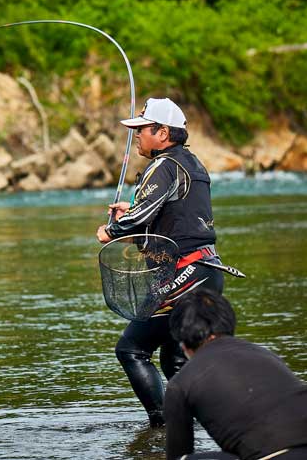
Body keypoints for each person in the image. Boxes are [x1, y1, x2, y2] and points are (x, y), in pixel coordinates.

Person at [96, 97, 225, 426]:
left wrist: (113, 229)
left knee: (131, 350)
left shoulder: (164, 165)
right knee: (174, 362)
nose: (135, 135)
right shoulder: (191, 163)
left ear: (163, 133)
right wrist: (135, 216)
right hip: (205, 271)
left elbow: (141, 216)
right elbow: (171, 218)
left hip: (184, 276)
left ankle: (164, 425)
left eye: (141, 129)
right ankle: (204, 421)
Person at [166, 289, 307, 460]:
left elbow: (178, 454)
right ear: (228, 322)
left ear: (182, 343)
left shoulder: (180, 383)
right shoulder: (264, 353)